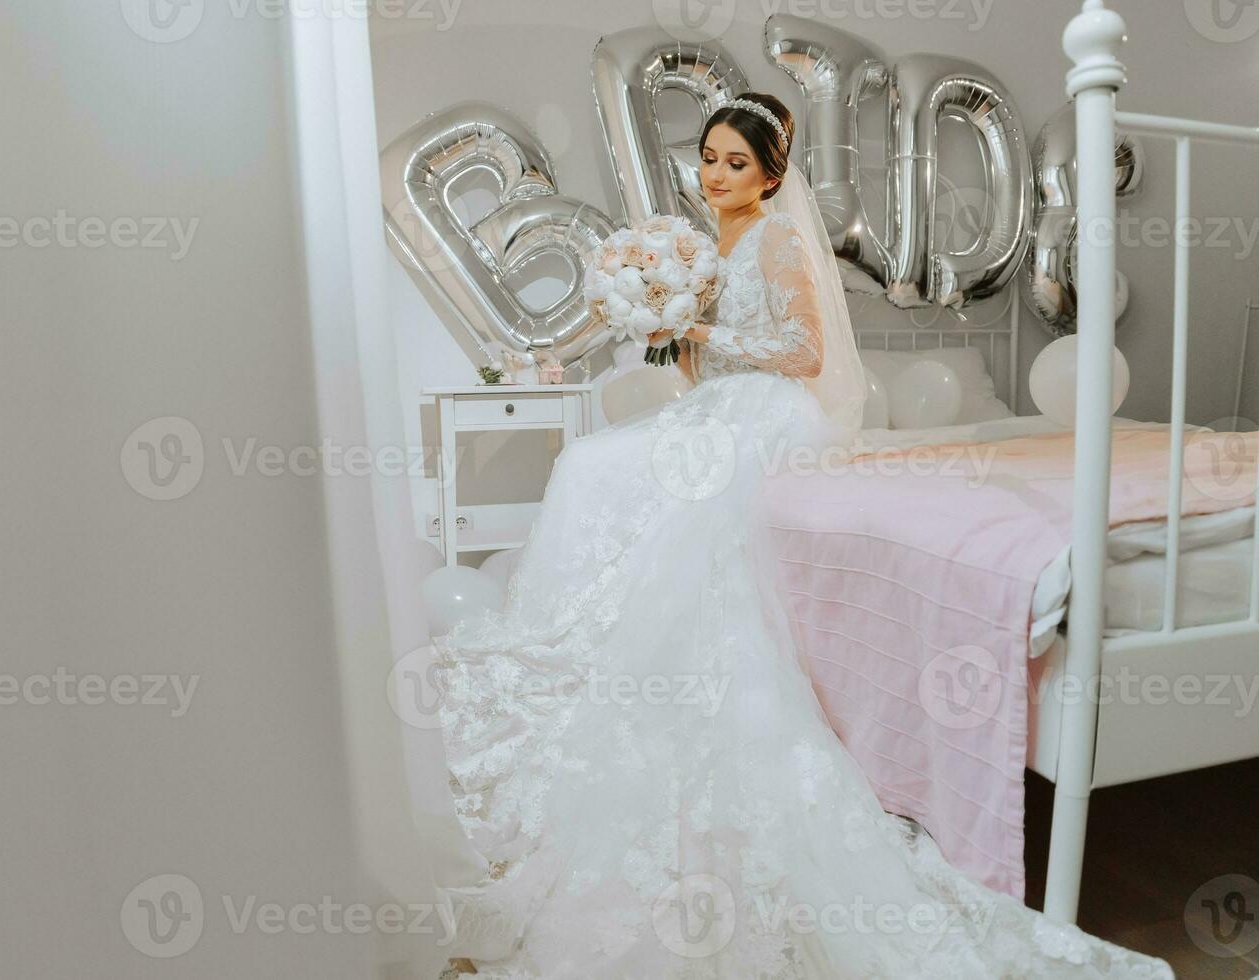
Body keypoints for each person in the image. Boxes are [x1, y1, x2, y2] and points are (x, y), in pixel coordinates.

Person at [429, 93, 1173, 978]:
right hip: (722, 397)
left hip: (772, 414)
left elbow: (807, 353)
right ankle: (573, 645)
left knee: (607, 471)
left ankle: (611, 645)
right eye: (707, 158)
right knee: (592, 464)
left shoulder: (778, 238)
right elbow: (708, 363)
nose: (716, 175)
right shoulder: (712, 243)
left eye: (735, 163)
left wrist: (699, 323)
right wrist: (676, 325)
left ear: (771, 174)